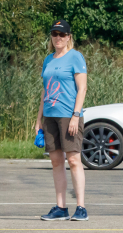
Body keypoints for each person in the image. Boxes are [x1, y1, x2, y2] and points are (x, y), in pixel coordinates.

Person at [34, 19, 88, 221]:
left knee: (74, 159)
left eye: (62, 34)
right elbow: (44, 90)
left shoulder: (75, 57)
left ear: (69, 37)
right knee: (56, 161)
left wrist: (76, 115)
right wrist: (39, 119)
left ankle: (81, 207)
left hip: (68, 115)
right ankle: (61, 207)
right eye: (55, 34)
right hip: (50, 115)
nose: (58, 38)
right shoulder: (48, 59)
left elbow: (82, 88)